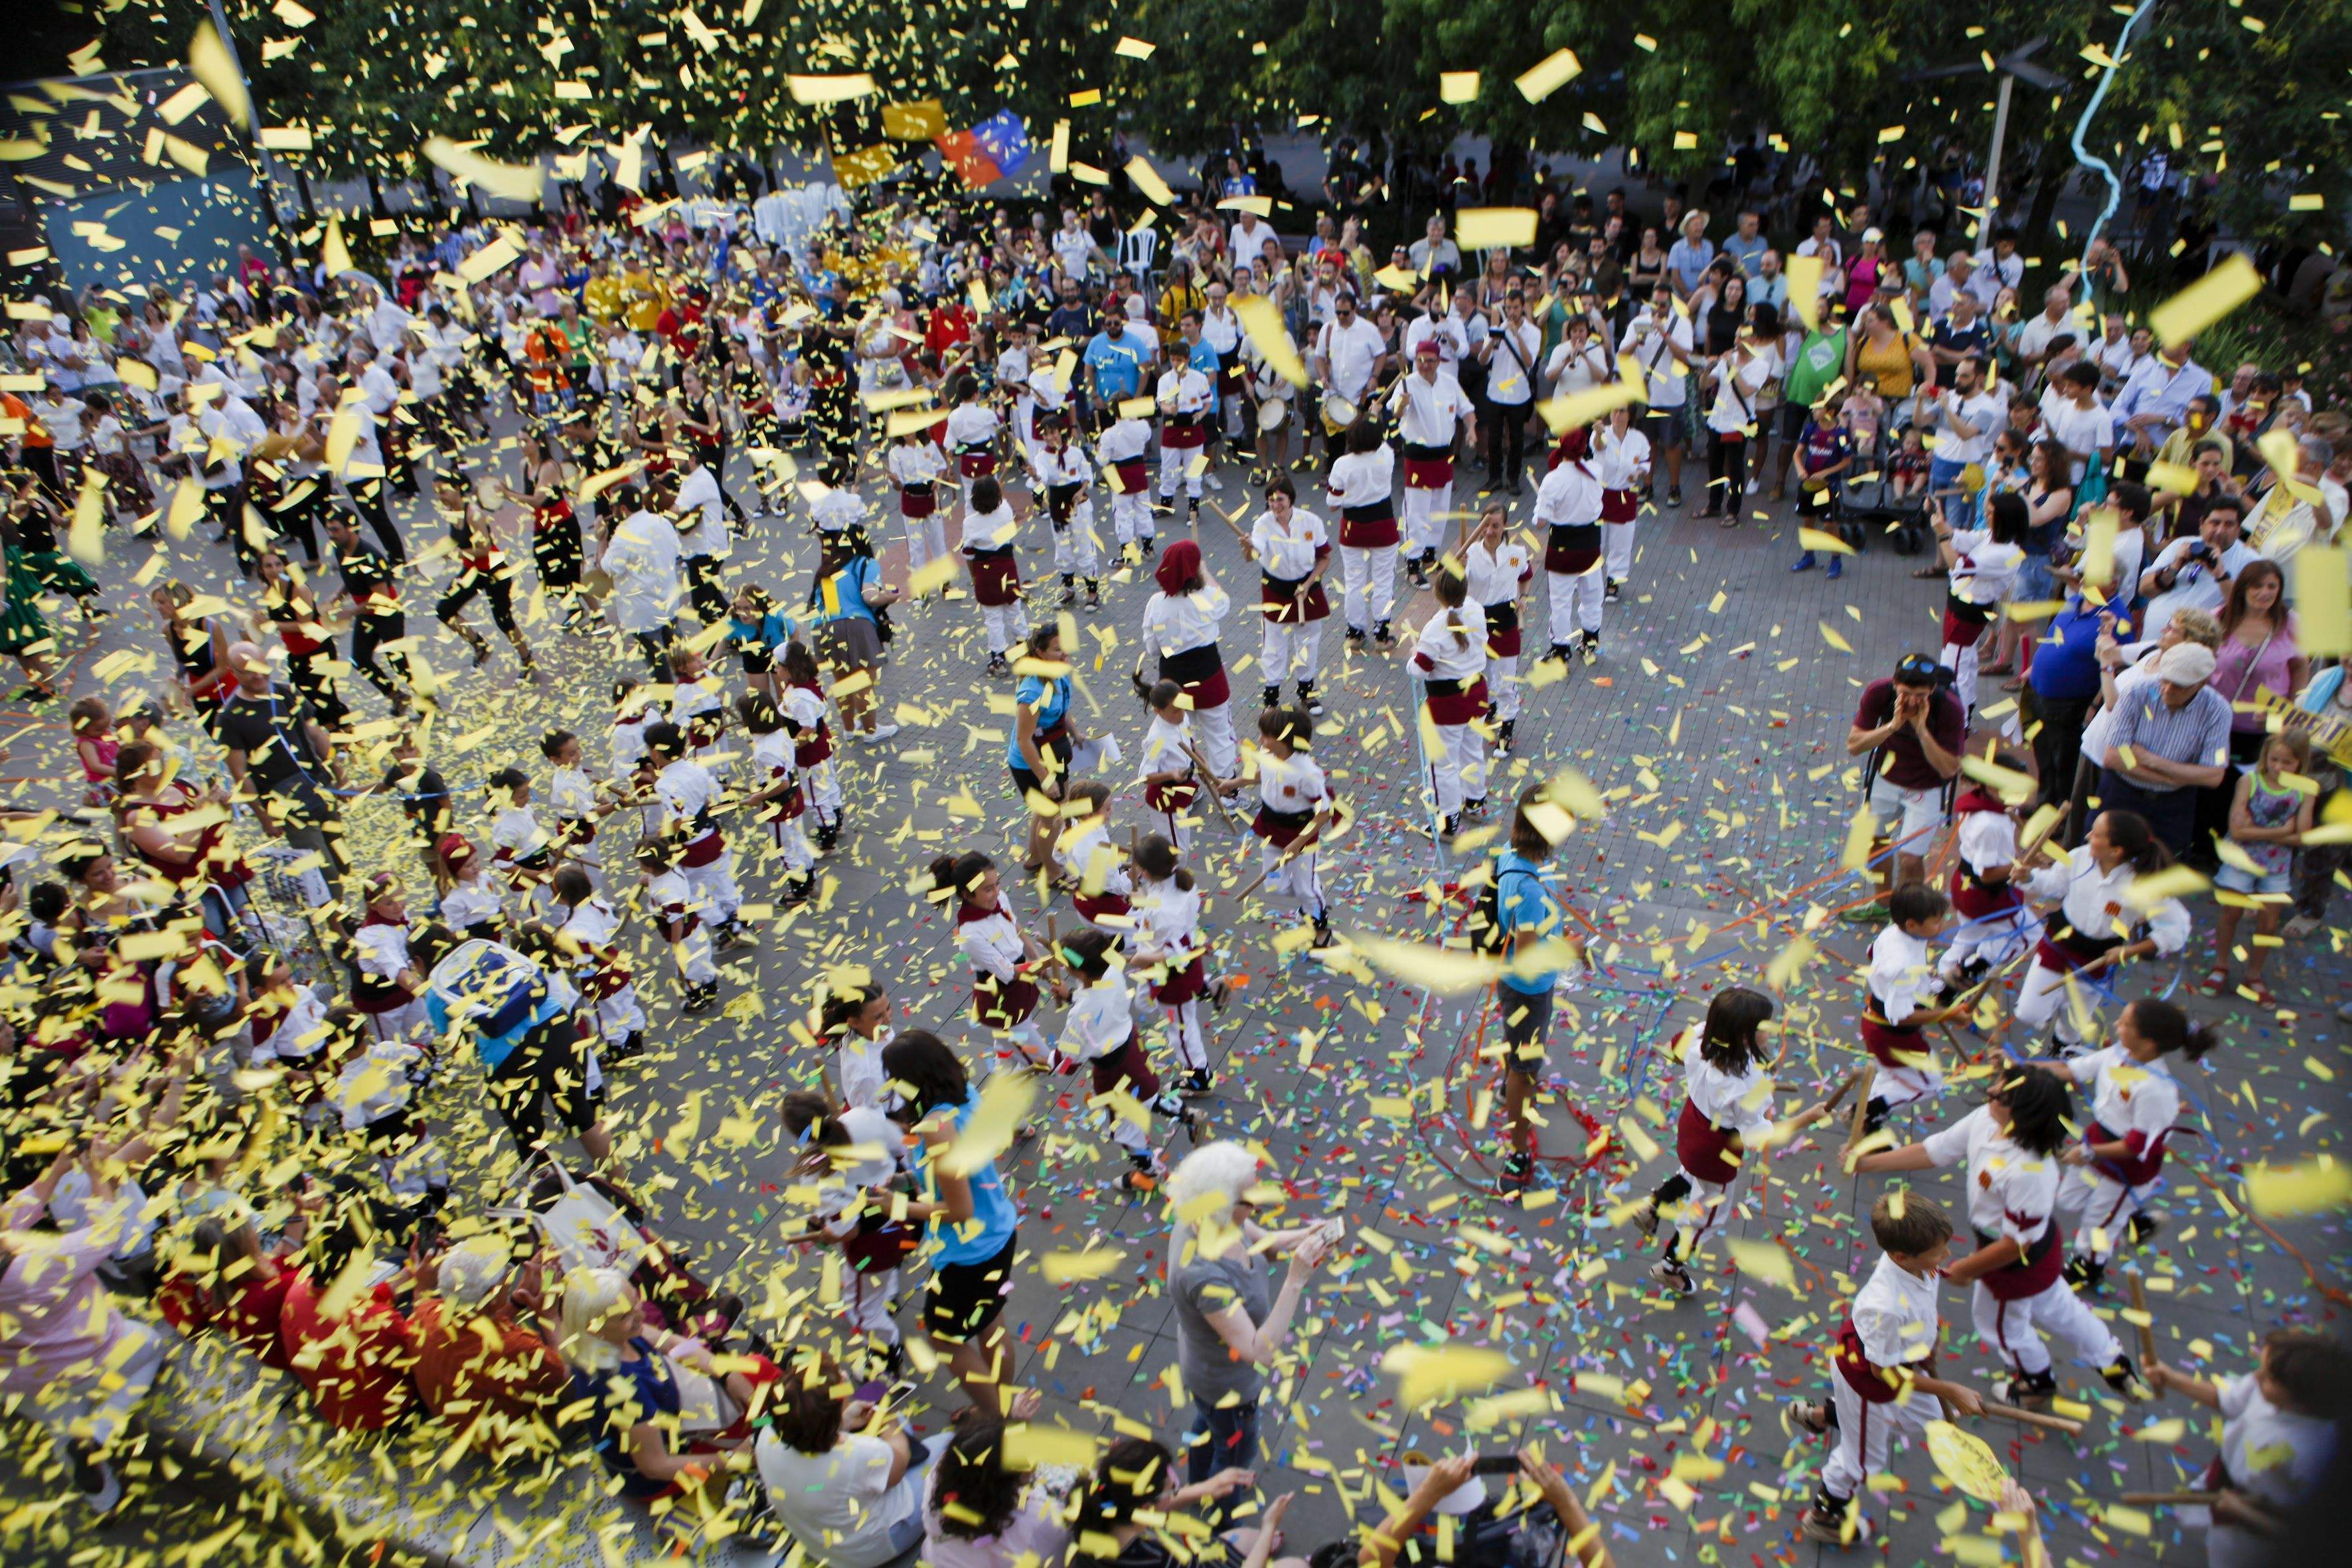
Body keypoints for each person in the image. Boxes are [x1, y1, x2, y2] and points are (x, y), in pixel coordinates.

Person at [1851, 1068, 2148, 1405]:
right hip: (2028, 1249)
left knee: (2000, 1325)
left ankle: (2037, 1380)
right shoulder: (1986, 1120)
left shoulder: (2030, 1171)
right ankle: (2111, 1360)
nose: (1991, 1092)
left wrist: (1968, 1268)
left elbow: (2016, 1244)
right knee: (2058, 1304)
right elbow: (1936, 1150)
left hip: (2014, 1263)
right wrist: (1868, 1163)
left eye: (2003, 1096)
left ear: (2027, 1115)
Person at [1787, 1194, 1986, 1546]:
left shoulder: (1921, 1265)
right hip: (1869, 1384)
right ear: (1901, 1257)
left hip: (1904, 1364)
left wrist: (1928, 1345)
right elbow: (1884, 1375)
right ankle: (1824, 1516)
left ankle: (1822, 1415)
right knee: (1863, 1459)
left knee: (1934, 1421)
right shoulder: (1886, 1306)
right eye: (1939, 1253)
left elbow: (1921, 1311)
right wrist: (1951, 1389)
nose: (1947, 1258)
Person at [1164, 1140, 1332, 1524]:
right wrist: (1295, 1280)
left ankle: (1196, 1483)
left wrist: (1309, 1234)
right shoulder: (1202, 1273)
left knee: (1209, 1424)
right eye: (1249, 1198)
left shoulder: (1212, 1217)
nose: (1256, 1202)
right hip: (1227, 1382)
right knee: (1236, 1452)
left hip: (1206, 1371)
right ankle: (1225, 1519)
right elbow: (1259, 1350)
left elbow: (1261, 1241)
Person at [1638, 988, 1835, 1295]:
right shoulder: (1746, 1085)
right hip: (1717, 1150)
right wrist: (1808, 1118)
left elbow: (1675, 1047)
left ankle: (1654, 1204)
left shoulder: (1702, 1035)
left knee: (1690, 1172)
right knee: (1706, 1216)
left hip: (1693, 1123)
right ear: (1744, 1037)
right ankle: (1670, 1269)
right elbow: (1758, 1137)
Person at [885, 1029, 1024, 1415]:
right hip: (998, 1232)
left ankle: (998, 1416)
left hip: (969, 1255)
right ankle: (1001, 1402)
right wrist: (910, 1179)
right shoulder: (966, 1096)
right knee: (990, 1321)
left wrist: (897, 1207)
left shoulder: (936, 1127)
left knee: (945, 1338)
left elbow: (959, 1209)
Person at [560, 1265, 767, 1506]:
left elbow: (672, 1344)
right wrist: (734, 1458)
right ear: (594, 1328)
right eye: (624, 1316)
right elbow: (656, 1466)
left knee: (757, 1372)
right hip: (662, 1475)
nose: (639, 1316)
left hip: (672, 1413)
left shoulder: (612, 1334)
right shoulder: (622, 1389)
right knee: (764, 1433)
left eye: (636, 1302)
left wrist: (727, 1374)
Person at [2142, 1330, 2349, 1568]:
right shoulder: (2265, 1387)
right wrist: (2173, 1379)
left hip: (2253, 1527)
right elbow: (2228, 1400)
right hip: (2226, 1480)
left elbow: (2306, 1534)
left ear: (2301, 1400)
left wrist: (2243, 1512)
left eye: (2268, 1377)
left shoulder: (2315, 1454)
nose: (2257, 1377)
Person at [2007, 811, 2193, 1058]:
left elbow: (2177, 929)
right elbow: (2055, 885)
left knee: (2074, 1022)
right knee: (2028, 1012)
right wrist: (2029, 877)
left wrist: (2129, 950)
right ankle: (2055, 1010)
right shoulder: (2077, 857)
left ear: (2115, 851)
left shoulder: (2142, 883)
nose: (2088, 836)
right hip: (2059, 942)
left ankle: (2064, 1046)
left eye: (2096, 834)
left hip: (2098, 956)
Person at [755, 1349, 937, 1567]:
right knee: (944, 1442)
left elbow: (806, 1431)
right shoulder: (859, 1453)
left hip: (817, 1543)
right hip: (873, 1548)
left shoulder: (765, 1437)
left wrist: (843, 1422)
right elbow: (899, 1462)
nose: (843, 1375)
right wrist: (888, 1420)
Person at [412, 1235, 570, 1461]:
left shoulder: (426, 1313)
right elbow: (566, 1373)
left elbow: (477, 1331)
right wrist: (551, 1314)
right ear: (492, 1295)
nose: (509, 1275)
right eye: (506, 1272)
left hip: (468, 1432)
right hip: (517, 1444)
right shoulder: (516, 1348)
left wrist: (516, 1301)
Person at [2201, 731, 2315, 1008]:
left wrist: (2258, 831)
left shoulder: (2306, 789)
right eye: (2274, 759)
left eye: (2287, 762)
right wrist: (2283, 830)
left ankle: (2253, 975)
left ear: (2300, 762)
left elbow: (2303, 836)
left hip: (2276, 867)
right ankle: (2221, 965)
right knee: (2232, 913)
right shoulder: (2249, 781)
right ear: (2266, 756)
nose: (2278, 767)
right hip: (2242, 859)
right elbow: (2237, 830)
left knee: (2268, 923)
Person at [1845, 653, 1966, 908]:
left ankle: (1908, 916)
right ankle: (1882, 904)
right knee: (1873, 843)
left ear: (1932, 689)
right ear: (1894, 684)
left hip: (1926, 787)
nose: (1912, 701)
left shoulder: (1950, 708)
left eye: (1920, 696)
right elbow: (1854, 746)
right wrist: (1892, 727)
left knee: (1910, 860)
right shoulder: (1879, 692)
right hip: (1885, 778)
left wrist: (1922, 731)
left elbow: (1949, 770)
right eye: (1905, 693)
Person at [2095, 641, 2233, 854]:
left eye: (2179, 685)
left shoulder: (2218, 710)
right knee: (2105, 859)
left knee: (2163, 869)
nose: (2167, 690)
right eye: (2165, 680)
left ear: (2201, 683)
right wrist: (2173, 778)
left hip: (2172, 807)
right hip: (2122, 793)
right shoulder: (2136, 693)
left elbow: (2213, 776)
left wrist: (2150, 760)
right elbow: (2113, 757)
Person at [917, 1400, 1067, 1568]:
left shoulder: (938, 1476)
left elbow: (988, 1461)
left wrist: (1016, 1424)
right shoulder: (1041, 1520)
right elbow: (1058, 1561)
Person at [1406, 560, 1489, 835]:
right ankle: (1475, 803)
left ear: (1438, 594)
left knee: (1443, 765)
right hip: (1477, 695)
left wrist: (1413, 654)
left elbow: (1419, 670)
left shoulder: (1435, 628)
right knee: (1472, 750)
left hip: (1448, 705)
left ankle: (1447, 821)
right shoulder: (1476, 610)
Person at [1142, 539, 1238, 775]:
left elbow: (1153, 649)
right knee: (1220, 735)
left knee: (1181, 733)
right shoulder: (1206, 598)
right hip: (1208, 678)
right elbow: (1223, 600)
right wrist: (1203, 569)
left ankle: (1187, 785)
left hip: (1174, 684)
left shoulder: (1155, 603)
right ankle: (1228, 792)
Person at [1249, 706, 1338, 947]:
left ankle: (1321, 926)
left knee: (1306, 892)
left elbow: (1324, 813)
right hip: (1271, 830)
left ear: (1284, 741)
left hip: (1301, 837)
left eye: (1265, 736)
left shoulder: (1308, 773)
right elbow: (1261, 775)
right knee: (1275, 884)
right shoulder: (1268, 754)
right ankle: (1311, 891)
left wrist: (1298, 843)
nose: (1260, 740)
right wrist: (1234, 782)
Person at [1244, 475, 1332, 715]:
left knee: (1308, 643)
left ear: (1291, 499)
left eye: (1280, 499)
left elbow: (1324, 557)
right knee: (1274, 646)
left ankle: (1307, 694)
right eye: (1271, 500)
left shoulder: (1310, 521)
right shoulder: (1263, 524)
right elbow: (1253, 554)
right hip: (1277, 590)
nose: (1275, 505)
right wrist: (1248, 546)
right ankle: (1271, 699)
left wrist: (1309, 583)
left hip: (1307, 590)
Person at [1387, 339, 1470, 586]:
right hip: (1418, 456)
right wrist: (1402, 403)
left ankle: (1429, 556)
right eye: (1420, 361)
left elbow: (1467, 409)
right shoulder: (1408, 384)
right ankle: (1412, 566)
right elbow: (1396, 413)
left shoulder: (1449, 383)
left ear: (1439, 362)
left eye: (1429, 361)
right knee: (1417, 512)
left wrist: (1473, 429)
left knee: (1440, 508)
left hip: (1443, 455)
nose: (1424, 365)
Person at [1534, 426, 1606, 667]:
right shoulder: (1596, 470)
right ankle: (1590, 640)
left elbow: (1540, 522)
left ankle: (1560, 649)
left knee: (1561, 600)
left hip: (1563, 547)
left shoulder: (1553, 479)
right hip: (1591, 545)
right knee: (1592, 594)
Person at [1328, 419, 1400, 649]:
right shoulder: (1386, 456)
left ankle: (1355, 632)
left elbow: (1332, 503)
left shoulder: (1342, 464)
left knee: (1354, 581)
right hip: (1383, 525)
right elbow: (1385, 442)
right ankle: (1382, 634)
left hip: (1353, 528)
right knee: (1384, 581)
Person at [1621, 279, 1693, 507]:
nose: (1658, 309)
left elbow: (1685, 357)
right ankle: (1648, 485)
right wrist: (1638, 340)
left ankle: (1674, 487)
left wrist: (1665, 335)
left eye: (1662, 305)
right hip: (1646, 395)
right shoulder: (1639, 323)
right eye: (1655, 304)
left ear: (1669, 304)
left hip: (1671, 395)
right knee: (1647, 443)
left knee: (1672, 444)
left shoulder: (1681, 323)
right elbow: (1622, 354)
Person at [959, 475, 1028, 678]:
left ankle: (998, 660)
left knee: (993, 618)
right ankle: (1023, 650)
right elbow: (1009, 521)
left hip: (985, 571)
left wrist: (974, 577)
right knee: (1014, 609)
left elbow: (968, 555)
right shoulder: (1005, 510)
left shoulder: (970, 523)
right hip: (1007, 567)